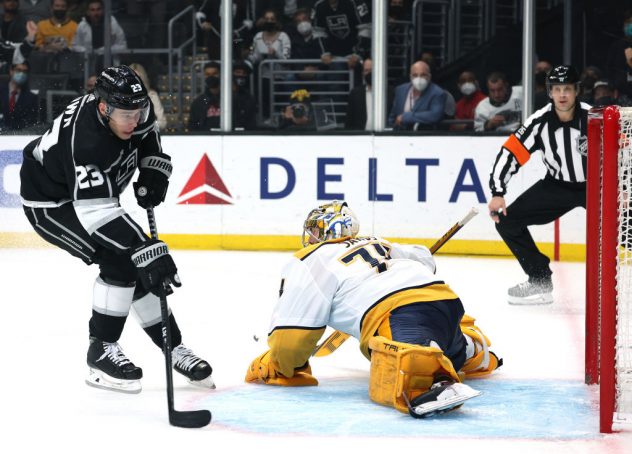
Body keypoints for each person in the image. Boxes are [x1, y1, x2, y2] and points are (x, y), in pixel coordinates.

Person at [19, 65, 214, 394]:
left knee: (135, 262)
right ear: (103, 107)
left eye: (138, 111)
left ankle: (173, 346)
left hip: (90, 200)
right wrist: (146, 250)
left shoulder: (135, 108)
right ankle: (101, 352)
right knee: (122, 261)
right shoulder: (85, 142)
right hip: (52, 205)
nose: (134, 120)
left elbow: (148, 135)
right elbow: (96, 211)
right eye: (126, 114)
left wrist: (154, 169)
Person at [245, 200, 501, 418]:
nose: (309, 237)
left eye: (313, 231)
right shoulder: (376, 242)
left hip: (397, 313)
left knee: (408, 368)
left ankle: (437, 381)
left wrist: (279, 362)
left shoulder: (311, 259)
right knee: (449, 348)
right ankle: (471, 346)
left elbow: (293, 337)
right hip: (444, 299)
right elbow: (425, 259)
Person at [488, 65, 590, 305]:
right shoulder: (539, 122)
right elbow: (510, 154)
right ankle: (540, 279)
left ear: (576, 91)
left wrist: (624, 190)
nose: (562, 94)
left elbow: (623, 153)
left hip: (598, 187)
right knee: (506, 221)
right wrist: (498, 192)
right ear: (550, 92)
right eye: (557, 89)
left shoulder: (594, 117)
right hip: (556, 187)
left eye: (567, 89)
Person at [387, 60, 446, 130]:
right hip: (400, 135)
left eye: (423, 75)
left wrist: (406, 117)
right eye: (415, 75)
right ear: (410, 77)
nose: (419, 78)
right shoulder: (400, 90)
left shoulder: (437, 93)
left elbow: (435, 115)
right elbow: (393, 116)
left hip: (423, 136)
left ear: (429, 77)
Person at [71, 0, 128, 65]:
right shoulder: (82, 25)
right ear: (88, 12)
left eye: (98, 9)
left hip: (110, 64)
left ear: (103, 10)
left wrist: (106, 50)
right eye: (92, 10)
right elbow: (75, 46)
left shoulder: (112, 23)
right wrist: (86, 51)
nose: (96, 13)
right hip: (88, 64)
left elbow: (123, 46)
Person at [0, 61, 39, 130]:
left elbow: (31, 122)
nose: (22, 74)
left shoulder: (32, 97)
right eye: (18, 70)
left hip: (19, 135)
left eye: (25, 71)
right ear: (11, 71)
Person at [128, 62, 166, 130]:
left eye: (138, 77)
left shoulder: (152, 96)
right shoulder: (120, 97)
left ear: (143, 78)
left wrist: (148, 127)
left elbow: (162, 121)